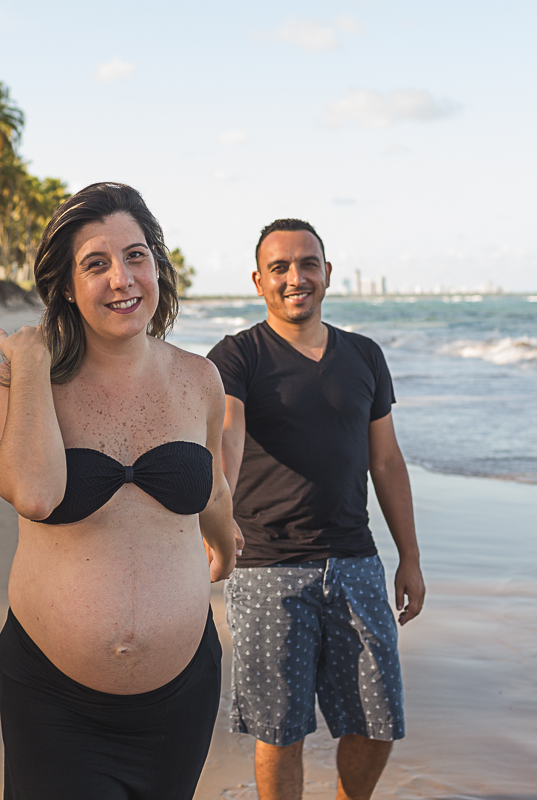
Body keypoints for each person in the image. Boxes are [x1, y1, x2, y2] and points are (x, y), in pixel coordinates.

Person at [0, 182, 239, 799]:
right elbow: (36, 494)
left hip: (181, 697)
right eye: (96, 264)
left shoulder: (198, 378)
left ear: (157, 264)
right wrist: (32, 365)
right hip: (55, 700)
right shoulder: (20, 384)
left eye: (135, 256)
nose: (122, 280)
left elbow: (211, 486)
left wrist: (226, 550)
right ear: (66, 286)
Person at [207, 218, 426, 800]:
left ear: (327, 274)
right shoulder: (237, 356)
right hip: (267, 568)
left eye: (308, 264)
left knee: (378, 721)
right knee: (280, 732)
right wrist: (219, 519)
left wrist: (410, 557)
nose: (295, 278)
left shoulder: (364, 356)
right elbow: (227, 436)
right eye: (279, 267)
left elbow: (387, 461)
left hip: (355, 562)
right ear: (259, 281)